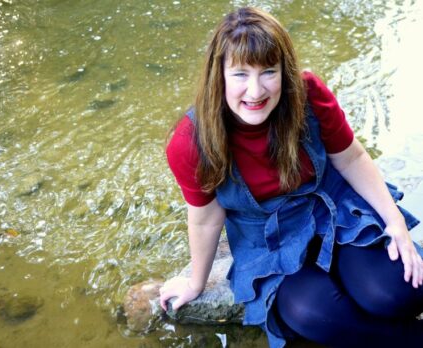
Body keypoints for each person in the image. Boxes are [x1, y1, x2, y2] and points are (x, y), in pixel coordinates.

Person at [159, 7, 423, 347]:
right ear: (218, 75)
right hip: (269, 238)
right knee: (313, 314)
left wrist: (394, 221)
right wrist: (196, 282)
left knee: (401, 291)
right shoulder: (190, 142)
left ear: (284, 70)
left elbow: (353, 158)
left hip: (331, 209)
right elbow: (206, 219)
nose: (255, 91)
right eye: (240, 74)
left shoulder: (308, 94)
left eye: (268, 71)